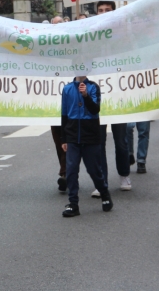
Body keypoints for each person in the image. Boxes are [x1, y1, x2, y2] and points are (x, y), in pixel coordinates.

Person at [92, 1, 132, 197]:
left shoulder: (122, 36)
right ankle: (101, 181)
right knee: (98, 142)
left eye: (108, 10)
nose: (104, 13)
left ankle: (124, 174)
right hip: (96, 98)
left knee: (121, 140)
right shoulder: (89, 35)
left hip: (118, 96)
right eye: (100, 10)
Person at [60, 75, 113, 217]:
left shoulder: (93, 87)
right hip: (72, 135)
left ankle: (104, 193)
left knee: (94, 170)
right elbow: (64, 114)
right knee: (71, 170)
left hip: (90, 134)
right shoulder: (67, 89)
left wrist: (85, 95)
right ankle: (73, 204)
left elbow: (95, 109)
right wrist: (63, 139)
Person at [49, 14, 67, 191]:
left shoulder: (73, 44)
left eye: (59, 25)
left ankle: (65, 172)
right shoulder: (46, 47)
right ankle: (65, 170)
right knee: (57, 137)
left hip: (71, 99)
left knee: (69, 135)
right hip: (52, 100)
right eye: (53, 26)